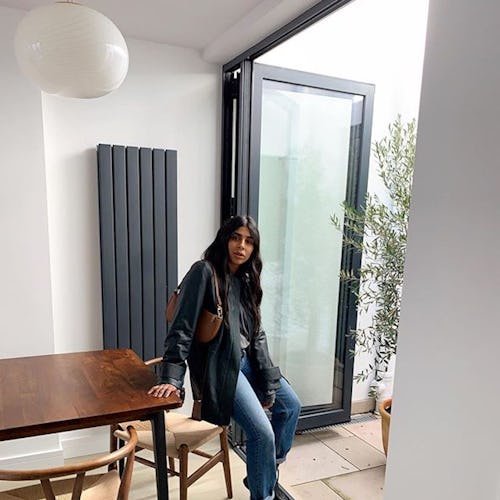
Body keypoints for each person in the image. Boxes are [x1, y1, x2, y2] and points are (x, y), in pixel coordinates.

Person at [149, 215, 301, 500]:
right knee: (261, 434)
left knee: (290, 408)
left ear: (254, 249)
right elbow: (182, 326)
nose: (241, 246)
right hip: (222, 369)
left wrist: (268, 380)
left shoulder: (247, 279)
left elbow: (257, 333)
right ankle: (263, 494)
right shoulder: (204, 272)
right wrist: (171, 376)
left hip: (248, 363)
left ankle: (263, 471)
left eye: (249, 241)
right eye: (235, 238)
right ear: (224, 239)